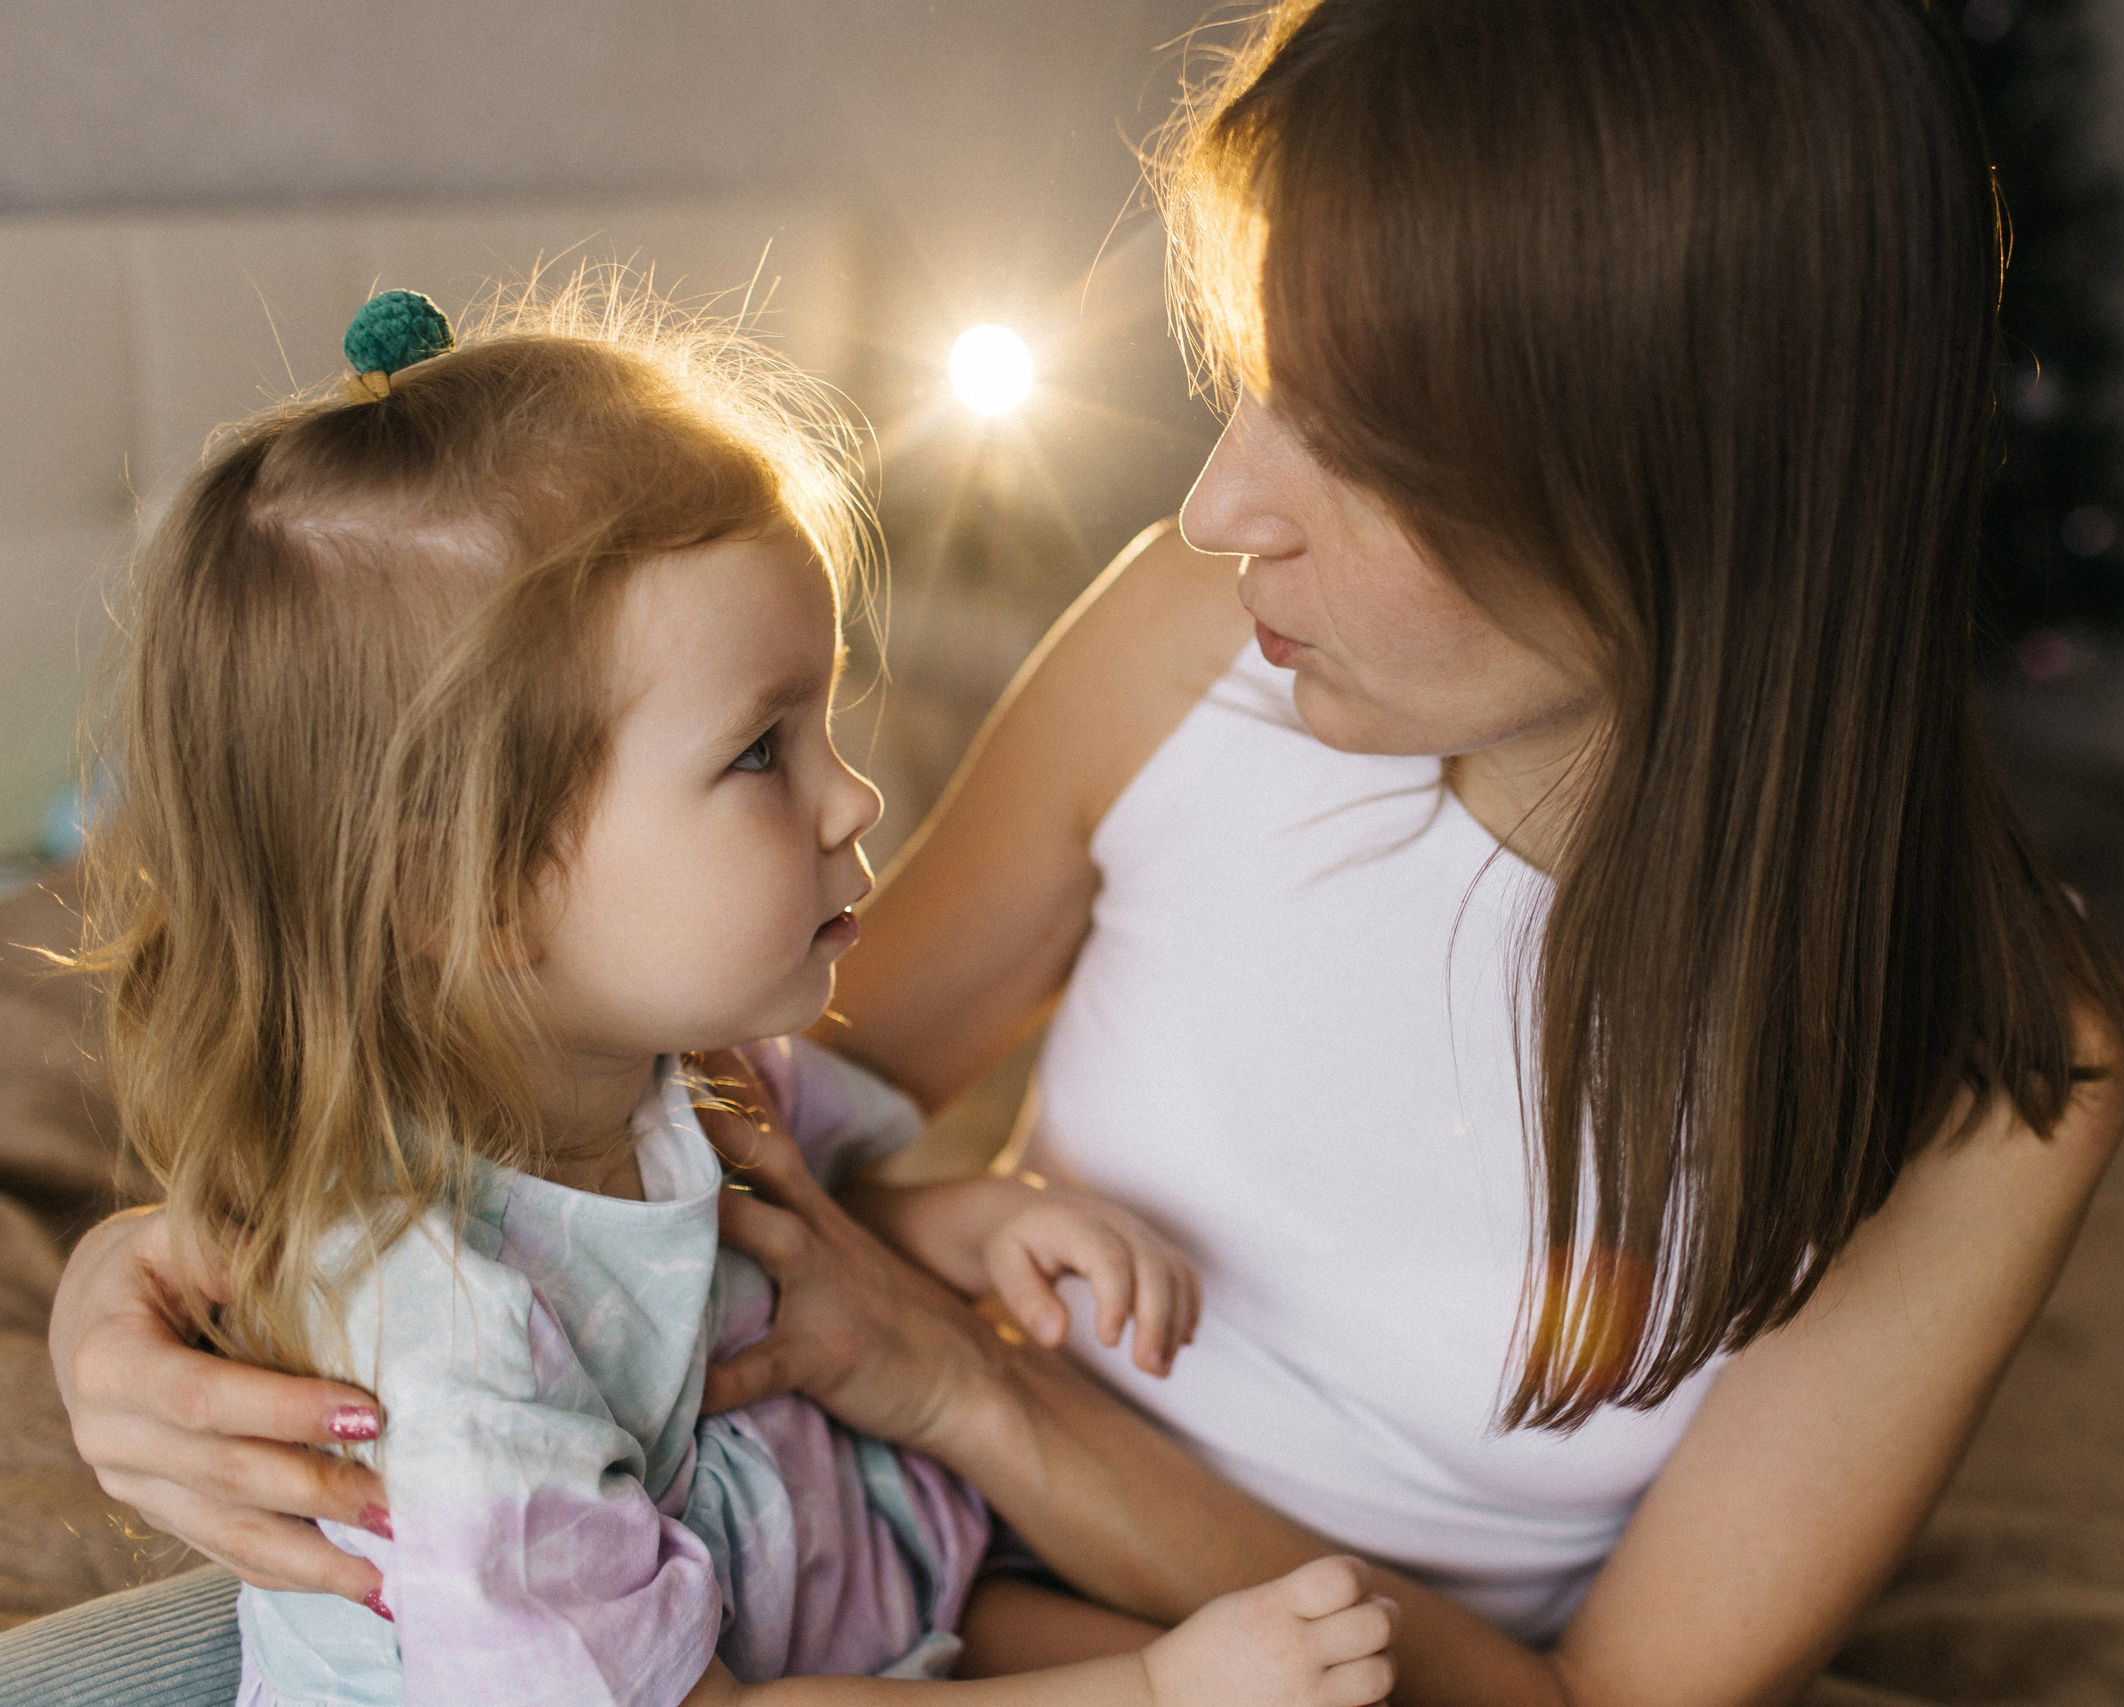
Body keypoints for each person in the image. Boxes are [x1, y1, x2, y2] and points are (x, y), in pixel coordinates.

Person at [29, 2, 2124, 1704]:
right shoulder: (1189, 630)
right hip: (811, 1514)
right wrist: (173, 1283)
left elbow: (1588, 1698)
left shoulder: (1987, 1061)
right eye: (1250, 379)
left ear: (1694, 487)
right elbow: (723, 1061)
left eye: (1363, 444)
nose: (1226, 505)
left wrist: (976, 1394)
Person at [18, 284, 1396, 1707]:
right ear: (459, 890)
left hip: (858, 1621)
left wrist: (955, 1226)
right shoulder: (444, 1354)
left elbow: (748, 1246)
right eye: (758, 752)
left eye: (828, 719)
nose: (855, 796)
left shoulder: (676, 1070)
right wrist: (1162, 1693)